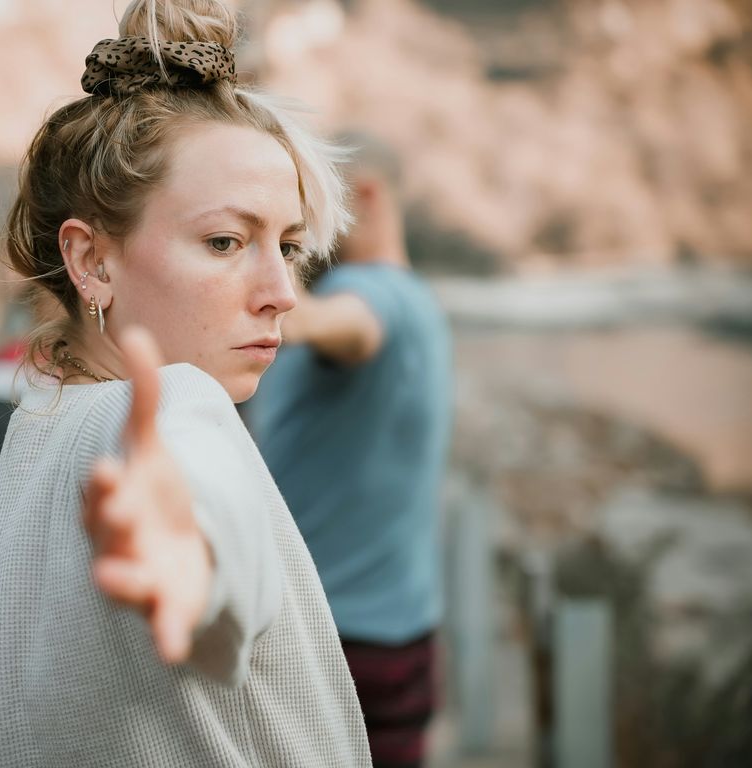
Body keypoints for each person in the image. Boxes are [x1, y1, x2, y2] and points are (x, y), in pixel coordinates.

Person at [0, 1, 370, 765]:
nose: (283, 290)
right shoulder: (177, 405)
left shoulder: (22, 458)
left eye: (289, 244)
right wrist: (194, 559)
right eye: (224, 241)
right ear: (92, 262)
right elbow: (200, 506)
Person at [249, 131, 454, 768]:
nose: (299, 231)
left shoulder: (364, 298)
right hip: (400, 637)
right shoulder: (420, 301)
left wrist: (268, 294)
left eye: (301, 208)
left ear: (361, 193)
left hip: (334, 650)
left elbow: (344, 326)